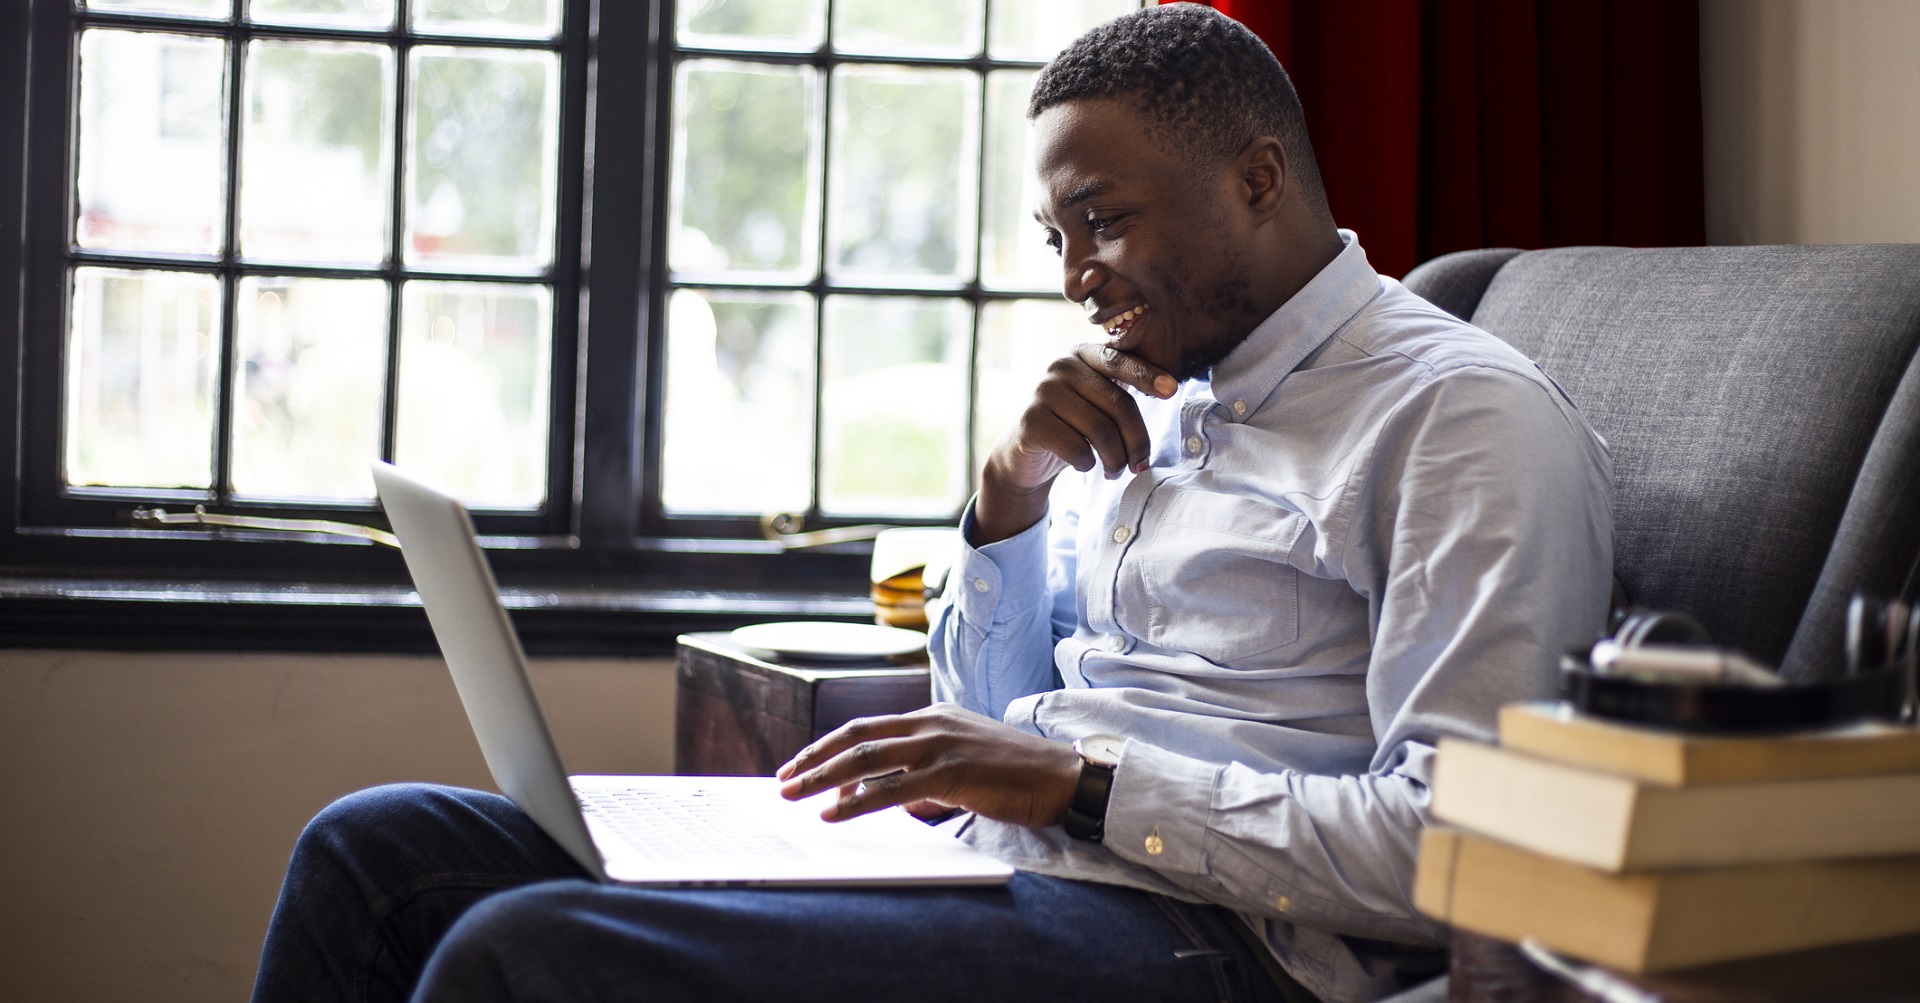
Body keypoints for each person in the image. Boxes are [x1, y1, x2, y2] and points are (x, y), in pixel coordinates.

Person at [251, 6, 1612, 1002]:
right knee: (377, 849)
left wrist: (1081, 786)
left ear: (1255, 178)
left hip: (1224, 939)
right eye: (1056, 238)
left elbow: (1465, 848)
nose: (1077, 273)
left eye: (1104, 218)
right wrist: (1008, 502)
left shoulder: (1458, 421)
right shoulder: (1156, 384)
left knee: (520, 957)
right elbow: (990, 697)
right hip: (1003, 861)